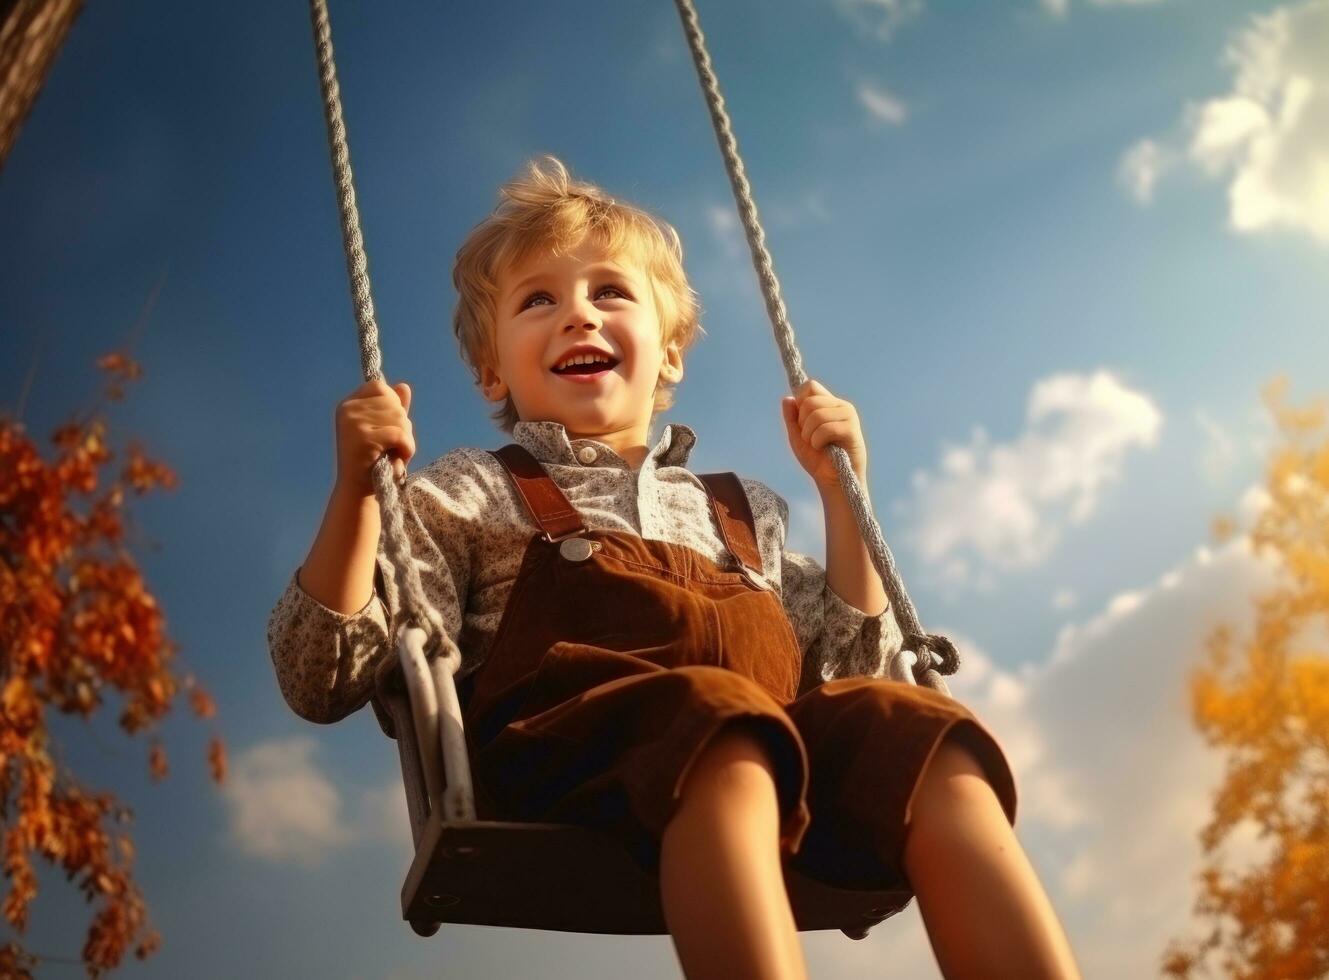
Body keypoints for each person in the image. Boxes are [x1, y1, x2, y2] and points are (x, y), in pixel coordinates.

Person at [267, 155, 1081, 980]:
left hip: (767, 764)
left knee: (920, 732)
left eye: (609, 292)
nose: (577, 315)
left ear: (670, 356)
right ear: (491, 371)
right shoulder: (470, 490)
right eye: (537, 299)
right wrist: (358, 496)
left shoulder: (741, 510)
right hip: (561, 763)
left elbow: (848, 675)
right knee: (719, 714)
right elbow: (323, 674)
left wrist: (843, 498)